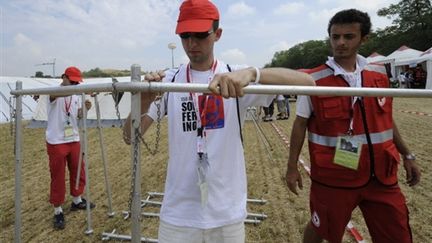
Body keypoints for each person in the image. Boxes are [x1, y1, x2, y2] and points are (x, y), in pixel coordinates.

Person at [123, 1, 314, 242]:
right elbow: (129, 136)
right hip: (178, 216)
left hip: (227, 213)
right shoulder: (169, 81)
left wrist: (252, 73)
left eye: (201, 35)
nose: (192, 43)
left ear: (218, 34)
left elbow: (307, 84)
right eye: (185, 35)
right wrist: (143, 101)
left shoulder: (235, 76)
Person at [285, 9, 421, 243]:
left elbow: (386, 120)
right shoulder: (313, 80)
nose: (340, 43)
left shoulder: (378, 75)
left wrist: (407, 154)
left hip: (381, 176)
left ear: (364, 38)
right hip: (334, 177)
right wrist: (291, 167)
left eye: (349, 37)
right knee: (321, 228)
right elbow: (299, 124)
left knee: (397, 234)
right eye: (335, 36)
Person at [46, 66, 95, 230]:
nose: (75, 85)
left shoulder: (76, 94)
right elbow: (58, 94)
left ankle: (77, 200)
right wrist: (79, 90)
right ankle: (58, 209)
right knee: (58, 174)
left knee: (78, 170)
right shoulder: (54, 92)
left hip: (73, 137)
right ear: (64, 77)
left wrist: (85, 108)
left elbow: (78, 115)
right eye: (72, 81)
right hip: (56, 140)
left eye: (77, 82)